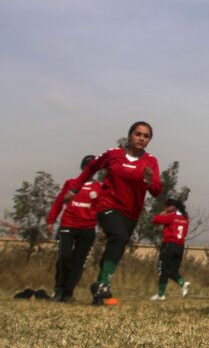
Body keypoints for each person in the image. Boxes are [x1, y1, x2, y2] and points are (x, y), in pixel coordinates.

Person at [67, 121, 162, 305]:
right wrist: (75, 187)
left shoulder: (151, 161)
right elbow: (91, 168)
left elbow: (157, 191)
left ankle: (99, 287)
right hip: (108, 205)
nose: (141, 138)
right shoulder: (113, 154)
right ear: (129, 135)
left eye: (146, 136)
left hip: (131, 212)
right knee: (118, 237)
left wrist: (150, 180)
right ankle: (104, 283)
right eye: (138, 134)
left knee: (117, 243)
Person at [46, 154, 102, 302]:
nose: (90, 170)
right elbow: (59, 201)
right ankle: (58, 289)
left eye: (93, 167)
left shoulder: (98, 187)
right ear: (83, 167)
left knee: (79, 261)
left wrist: (103, 227)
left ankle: (68, 293)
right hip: (68, 226)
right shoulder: (71, 183)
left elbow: (102, 208)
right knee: (64, 257)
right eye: (87, 167)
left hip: (88, 228)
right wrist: (51, 220)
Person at [150, 198, 190, 301]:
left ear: (173, 207)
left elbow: (155, 220)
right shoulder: (185, 218)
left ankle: (161, 294)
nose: (166, 208)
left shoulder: (171, 216)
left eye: (168, 206)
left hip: (169, 244)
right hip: (180, 246)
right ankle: (182, 283)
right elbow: (184, 233)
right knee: (172, 270)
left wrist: (164, 212)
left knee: (163, 269)